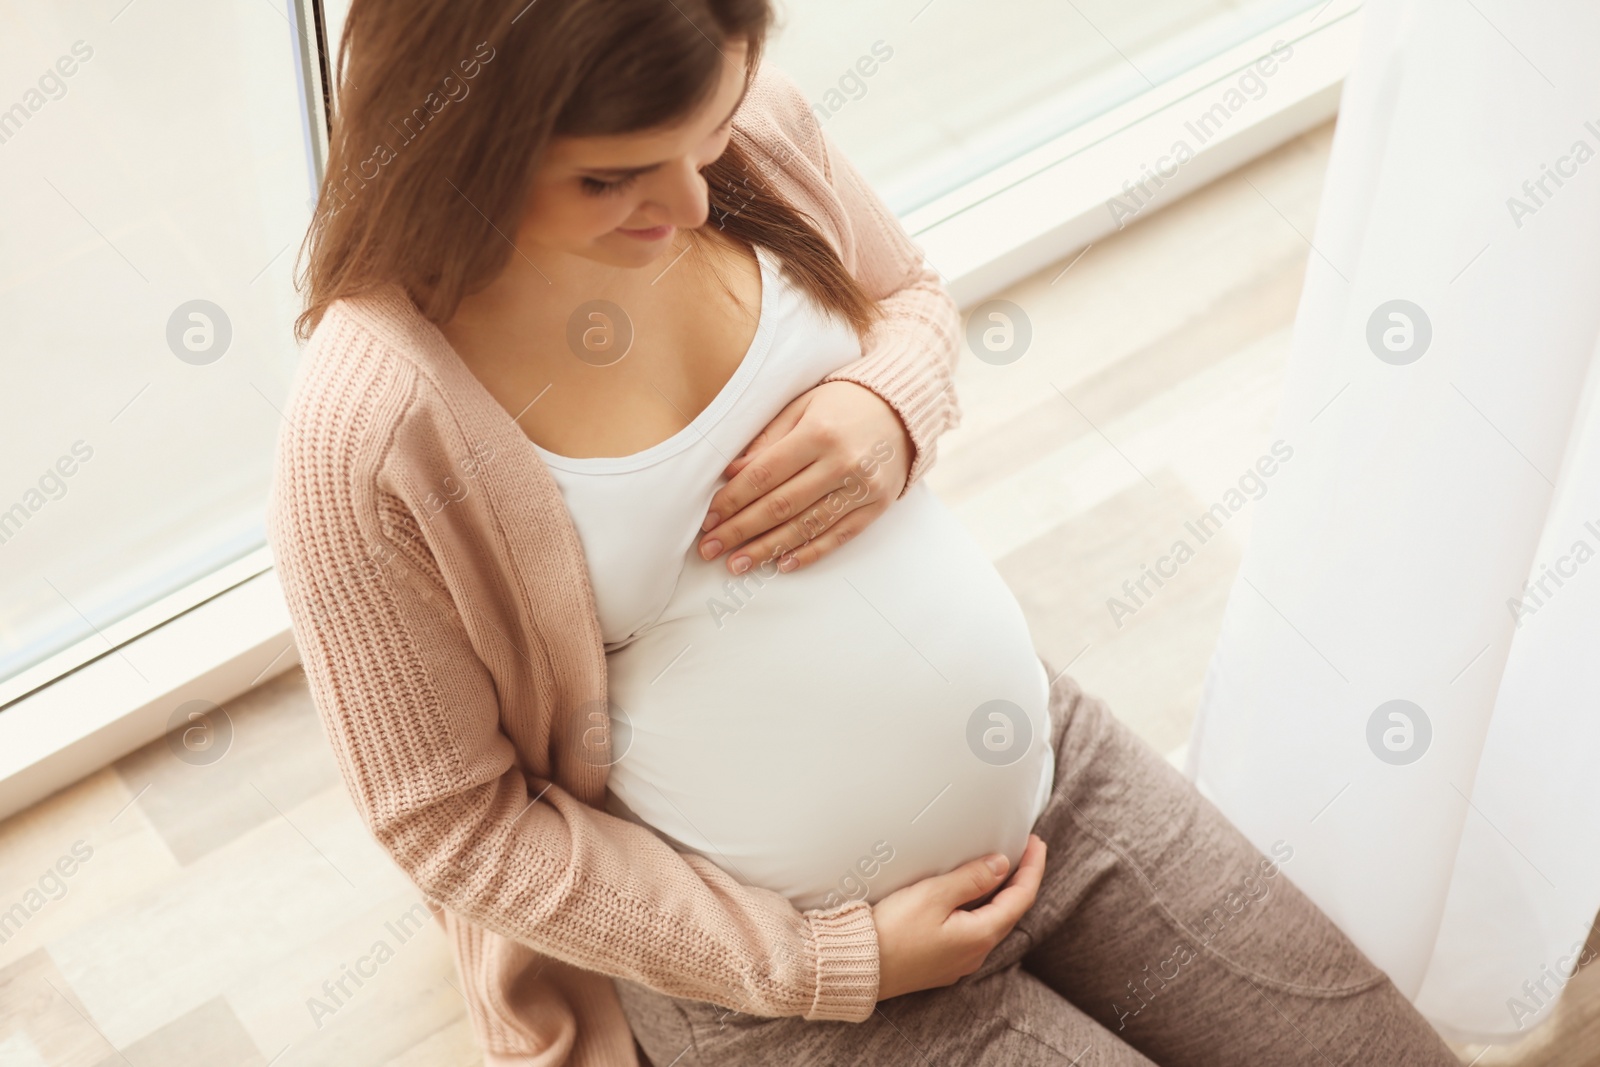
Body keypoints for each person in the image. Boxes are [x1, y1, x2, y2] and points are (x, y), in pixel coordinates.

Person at [268, 1, 1462, 1063]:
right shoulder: (371, 429)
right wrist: (825, 963)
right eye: (612, 177)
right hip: (794, 984)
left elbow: (909, 299)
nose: (689, 202)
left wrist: (887, 402)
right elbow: (454, 828)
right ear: (458, 142)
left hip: (1051, 780)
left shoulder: (742, 133)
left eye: (710, 133)